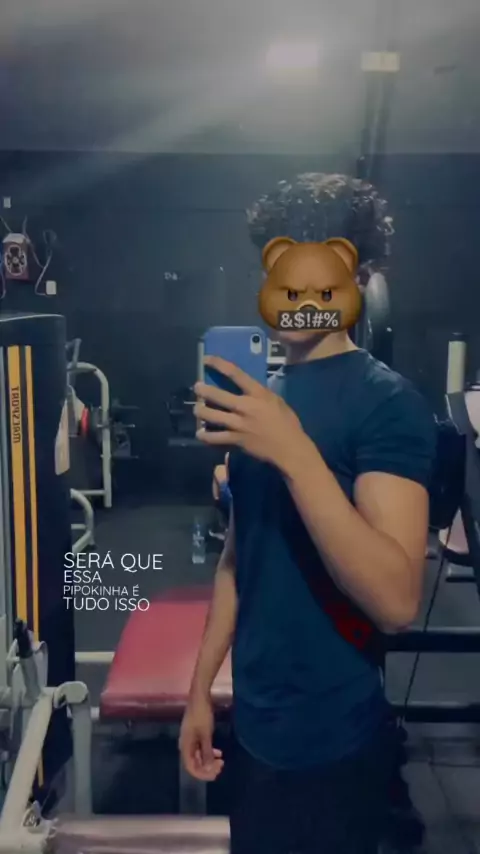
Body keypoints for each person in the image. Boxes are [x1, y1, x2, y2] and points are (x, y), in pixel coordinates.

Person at [179, 173, 436, 854]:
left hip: (334, 739)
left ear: (357, 278)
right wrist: (200, 689)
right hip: (254, 724)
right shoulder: (261, 399)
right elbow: (239, 556)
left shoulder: (388, 404)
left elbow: (396, 601)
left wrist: (294, 453)